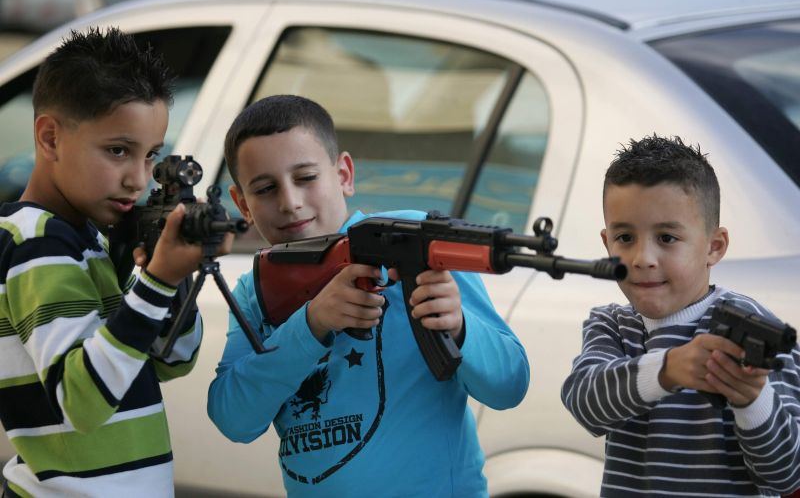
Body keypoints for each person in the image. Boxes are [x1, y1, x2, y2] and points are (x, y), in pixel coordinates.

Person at [207, 94, 530, 497]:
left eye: (306, 178)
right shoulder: (256, 287)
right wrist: (311, 325)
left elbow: (509, 385)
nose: (290, 202)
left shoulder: (414, 243)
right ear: (243, 205)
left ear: (343, 174)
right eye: (266, 188)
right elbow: (232, 418)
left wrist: (460, 326)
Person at [0, 27, 221, 497]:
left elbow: (171, 359)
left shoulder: (87, 239)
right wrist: (157, 281)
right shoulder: (36, 243)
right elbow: (82, 400)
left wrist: (175, 275)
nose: (137, 179)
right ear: (50, 137)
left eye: (151, 156)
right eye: (118, 150)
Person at [561, 134, 800, 496]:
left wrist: (752, 400)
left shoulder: (753, 328)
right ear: (606, 243)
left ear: (713, 246)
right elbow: (585, 404)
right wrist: (668, 369)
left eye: (667, 238)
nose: (643, 258)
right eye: (625, 237)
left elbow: (788, 476)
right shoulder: (612, 324)